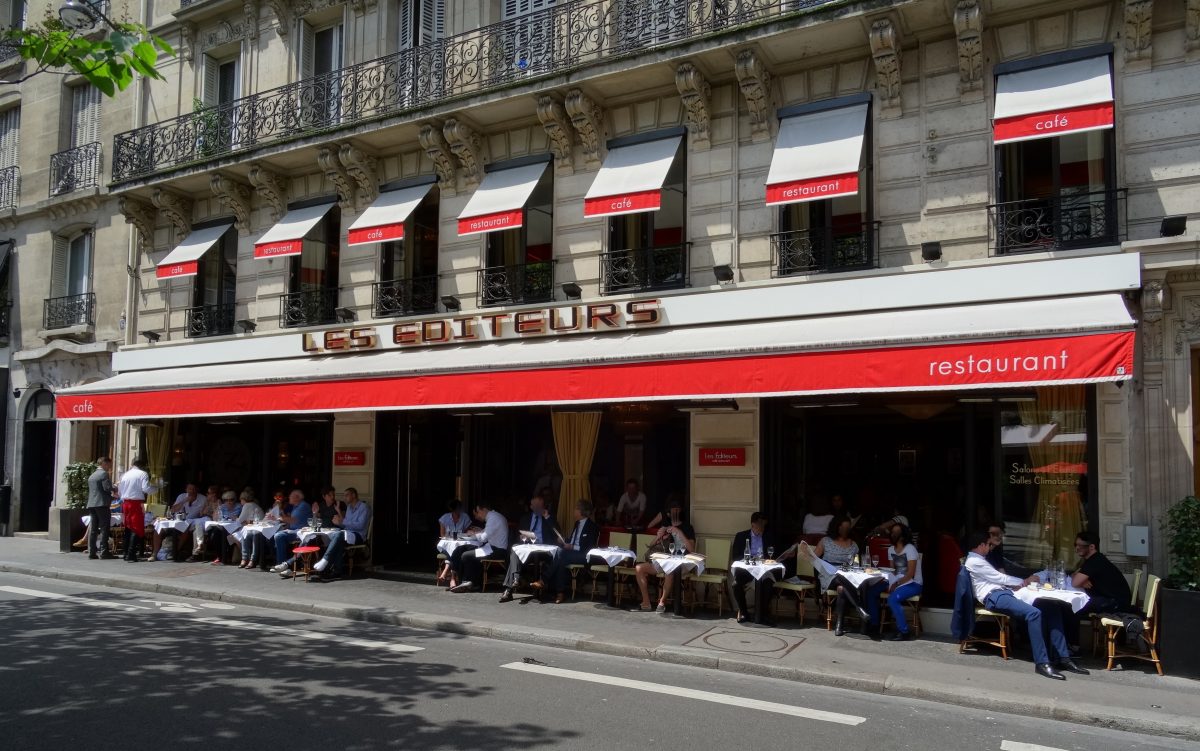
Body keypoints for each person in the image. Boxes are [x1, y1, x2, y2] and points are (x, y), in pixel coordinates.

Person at [963, 531, 1088, 680]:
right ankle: (1041, 662)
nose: (990, 548)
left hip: (1005, 592)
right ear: (981, 545)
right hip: (995, 597)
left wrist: (1022, 583)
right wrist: (1025, 581)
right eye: (988, 544)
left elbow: (999, 579)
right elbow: (999, 577)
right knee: (1034, 613)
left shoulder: (980, 559)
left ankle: (1063, 657)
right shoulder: (974, 560)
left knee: (1051, 607)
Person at [1063, 530, 1134, 649]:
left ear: (1091, 547)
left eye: (1080, 546)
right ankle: (1070, 644)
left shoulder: (1095, 562)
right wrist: (1081, 579)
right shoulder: (1094, 559)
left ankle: (1073, 647)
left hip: (1114, 603)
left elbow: (1074, 582)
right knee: (1074, 605)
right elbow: (1074, 576)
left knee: (1072, 607)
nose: (1077, 549)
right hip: (1111, 599)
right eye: (1076, 545)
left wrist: (1080, 579)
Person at [634, 497, 695, 613]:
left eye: (677, 510)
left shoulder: (687, 527)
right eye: (673, 510)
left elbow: (692, 549)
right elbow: (650, 546)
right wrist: (658, 536)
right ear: (668, 513)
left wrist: (679, 532)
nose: (675, 513)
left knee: (669, 570)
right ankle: (646, 602)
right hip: (665, 559)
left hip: (683, 562)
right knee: (639, 568)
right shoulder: (666, 526)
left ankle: (662, 602)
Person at [498, 494, 560, 601]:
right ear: (531, 507)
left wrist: (548, 518)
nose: (538, 509)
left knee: (517, 552)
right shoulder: (525, 518)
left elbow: (557, 534)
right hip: (528, 549)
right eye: (535, 506)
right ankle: (515, 579)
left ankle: (509, 589)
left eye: (540, 506)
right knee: (514, 548)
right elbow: (519, 535)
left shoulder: (549, 518)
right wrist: (522, 537)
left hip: (544, 551)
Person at [538, 499, 599, 604]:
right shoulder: (577, 524)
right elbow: (573, 539)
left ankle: (544, 580)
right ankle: (560, 593)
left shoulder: (592, 527)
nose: (574, 511)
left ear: (581, 511)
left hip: (584, 555)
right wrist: (563, 540)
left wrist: (572, 547)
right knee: (561, 558)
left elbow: (589, 548)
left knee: (561, 554)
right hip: (571, 554)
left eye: (576, 509)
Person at [730, 512, 784, 625]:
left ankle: (763, 615)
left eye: (764, 525)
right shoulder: (741, 536)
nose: (762, 528)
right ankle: (744, 613)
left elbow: (774, 555)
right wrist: (750, 559)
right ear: (753, 524)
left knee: (769, 584)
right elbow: (735, 556)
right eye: (760, 525)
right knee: (736, 584)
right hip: (747, 570)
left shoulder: (769, 536)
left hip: (764, 570)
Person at [448, 503, 510, 593]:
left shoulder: (493, 518)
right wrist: (477, 533)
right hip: (491, 547)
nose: (477, 516)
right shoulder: (493, 517)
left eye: (478, 512)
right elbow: (484, 533)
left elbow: (484, 537)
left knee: (466, 555)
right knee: (461, 549)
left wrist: (473, 533)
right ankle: (460, 580)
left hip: (497, 550)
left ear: (483, 509)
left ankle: (470, 582)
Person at [312, 488, 370, 579]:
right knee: (335, 535)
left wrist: (342, 521)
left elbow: (360, 526)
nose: (344, 497)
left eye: (346, 495)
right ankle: (336, 571)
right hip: (348, 533)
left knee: (339, 535)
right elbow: (345, 525)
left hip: (358, 535)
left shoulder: (364, 507)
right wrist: (339, 523)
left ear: (353, 495)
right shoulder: (349, 508)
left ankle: (325, 561)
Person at [884, 523, 922, 641]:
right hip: (898, 582)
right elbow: (893, 570)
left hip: (914, 583)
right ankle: (874, 624)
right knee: (873, 588)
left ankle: (904, 631)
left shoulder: (910, 549)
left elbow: (910, 573)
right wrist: (892, 582)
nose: (892, 534)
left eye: (895, 532)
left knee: (892, 599)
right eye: (892, 531)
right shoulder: (891, 549)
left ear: (902, 536)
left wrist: (896, 584)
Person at [117, 458, 157, 562]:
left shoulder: (125, 475)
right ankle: (131, 554)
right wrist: (156, 488)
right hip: (136, 503)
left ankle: (126, 553)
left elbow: (120, 492)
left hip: (125, 503)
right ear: (143, 466)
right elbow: (146, 489)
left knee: (128, 527)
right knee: (136, 527)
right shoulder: (142, 474)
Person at [270, 490, 313, 575]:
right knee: (277, 535)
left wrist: (278, 517)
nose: (289, 497)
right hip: (294, 531)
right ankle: (281, 564)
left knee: (279, 535)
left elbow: (293, 520)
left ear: (297, 497)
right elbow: (291, 521)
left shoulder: (303, 506)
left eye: (291, 496)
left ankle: (284, 565)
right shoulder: (295, 506)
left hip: (301, 533)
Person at [85, 457, 115, 560]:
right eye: (109, 465)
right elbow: (107, 488)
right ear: (104, 463)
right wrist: (115, 488)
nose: (110, 467)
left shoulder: (92, 475)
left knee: (93, 529)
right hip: (102, 504)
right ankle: (104, 552)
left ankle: (91, 552)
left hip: (92, 504)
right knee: (104, 528)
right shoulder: (103, 474)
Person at [204, 491, 241, 565]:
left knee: (226, 535)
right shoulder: (222, 507)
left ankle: (226, 557)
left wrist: (235, 517)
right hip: (222, 527)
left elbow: (240, 519)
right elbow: (215, 519)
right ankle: (220, 556)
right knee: (214, 534)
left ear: (235, 500)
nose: (229, 502)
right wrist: (217, 509)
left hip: (234, 528)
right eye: (226, 500)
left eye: (231, 499)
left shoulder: (239, 507)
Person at [186, 486, 221, 561]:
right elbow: (201, 513)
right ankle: (197, 551)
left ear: (214, 494)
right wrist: (206, 510)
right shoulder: (207, 502)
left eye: (208, 493)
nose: (207, 495)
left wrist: (209, 512)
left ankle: (198, 549)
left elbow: (216, 516)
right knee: (196, 531)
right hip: (204, 521)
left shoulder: (218, 502)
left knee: (198, 524)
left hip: (211, 522)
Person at [235, 491, 265, 568]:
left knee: (247, 534)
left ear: (243, 499)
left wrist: (235, 518)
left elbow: (240, 520)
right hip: (254, 527)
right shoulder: (255, 505)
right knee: (246, 533)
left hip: (257, 528)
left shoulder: (247, 505)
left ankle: (247, 559)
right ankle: (248, 559)